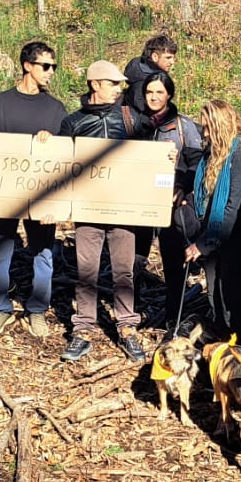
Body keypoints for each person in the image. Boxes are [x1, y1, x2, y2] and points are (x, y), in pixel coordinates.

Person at [59, 60, 163, 363]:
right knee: (86, 271)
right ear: (95, 85)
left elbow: (152, 152)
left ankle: (127, 328)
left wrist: (166, 153)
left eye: (121, 84)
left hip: (124, 209)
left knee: (123, 271)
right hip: (88, 211)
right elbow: (60, 163)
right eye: (114, 84)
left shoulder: (131, 118)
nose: (120, 89)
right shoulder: (72, 122)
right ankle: (83, 331)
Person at [0, 41, 68, 340]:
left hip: (41, 195)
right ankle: (0, 309)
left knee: (43, 253)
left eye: (54, 66)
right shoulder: (1, 103)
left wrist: (51, 139)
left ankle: (37, 311)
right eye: (45, 66)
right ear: (27, 65)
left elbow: (67, 152)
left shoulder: (56, 109)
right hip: (3, 194)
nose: (51, 72)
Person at [189, 99, 241, 345]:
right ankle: (225, 348)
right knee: (215, 299)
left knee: (234, 303)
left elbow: (234, 207)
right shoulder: (211, 154)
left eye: (209, 127)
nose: (205, 133)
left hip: (235, 241)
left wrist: (203, 244)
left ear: (222, 125)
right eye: (203, 127)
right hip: (214, 241)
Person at [132, 70, 204, 331]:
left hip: (171, 206)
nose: (153, 97)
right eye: (149, 92)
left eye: (159, 92)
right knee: (135, 259)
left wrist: (184, 186)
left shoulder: (184, 127)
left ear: (169, 95)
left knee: (173, 262)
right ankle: (132, 311)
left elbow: (197, 163)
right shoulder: (133, 124)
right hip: (140, 203)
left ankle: (174, 314)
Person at [123, 33, 178, 97]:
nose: (172, 62)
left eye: (173, 58)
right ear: (155, 57)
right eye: (168, 58)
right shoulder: (144, 85)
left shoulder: (145, 68)